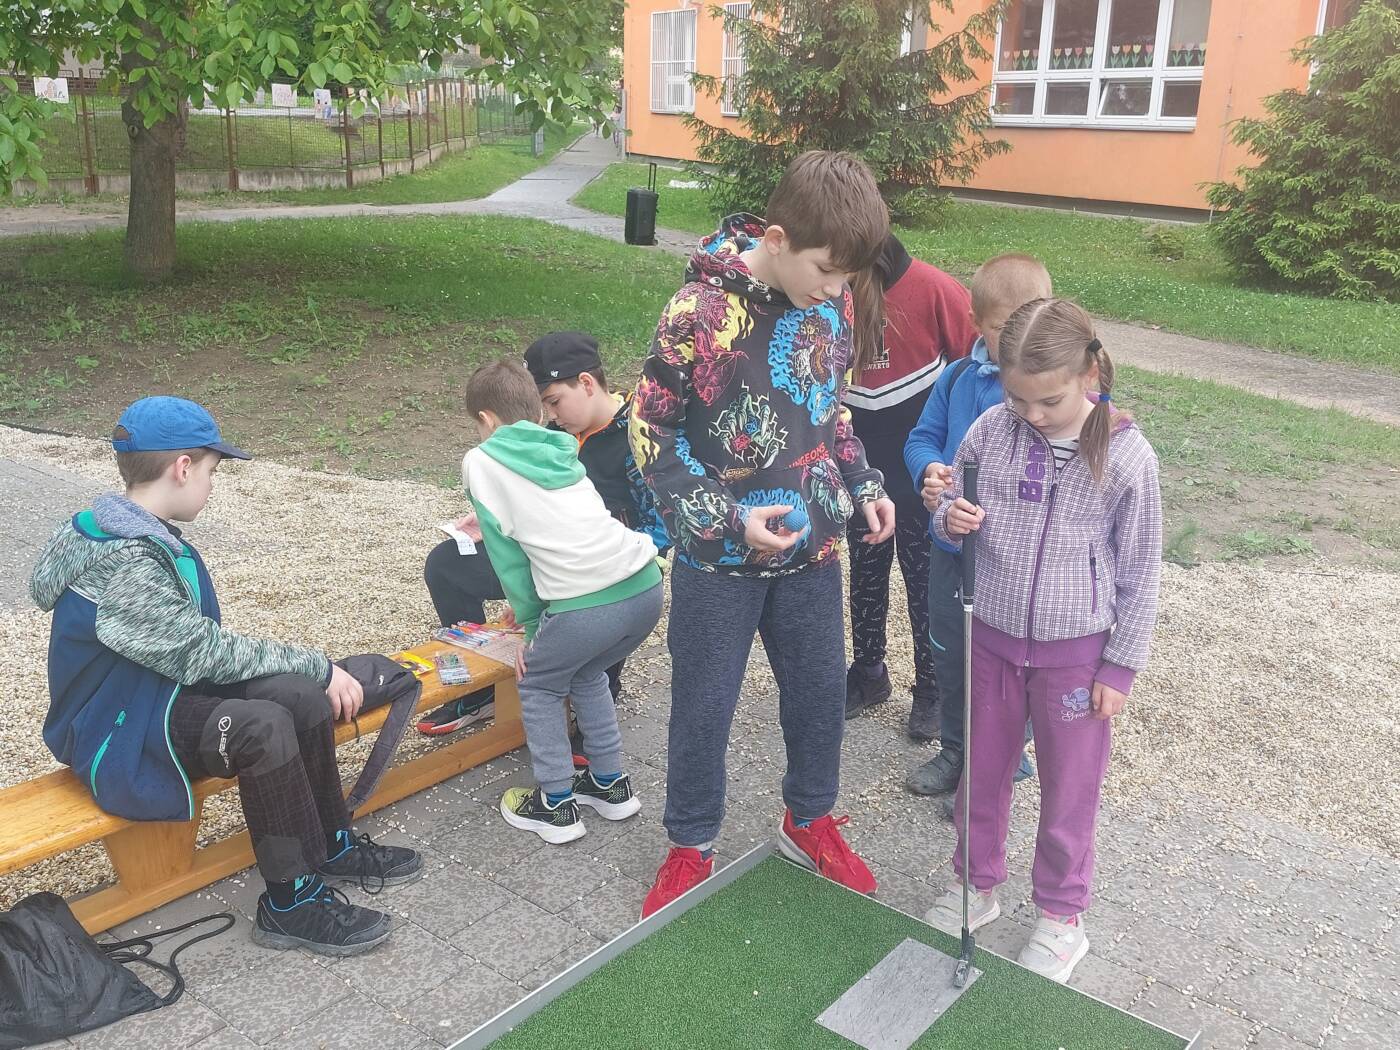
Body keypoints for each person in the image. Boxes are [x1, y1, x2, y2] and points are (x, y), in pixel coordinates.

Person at [30, 397, 421, 957]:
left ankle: (330, 844)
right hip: (116, 729)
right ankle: (289, 904)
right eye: (212, 471)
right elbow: (202, 654)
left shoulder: (135, 532)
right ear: (182, 467)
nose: (211, 485)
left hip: (156, 694)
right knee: (261, 727)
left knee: (300, 697)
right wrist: (317, 662)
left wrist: (310, 675)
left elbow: (193, 654)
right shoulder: (126, 561)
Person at [629, 150, 896, 918]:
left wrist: (863, 483)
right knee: (702, 707)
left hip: (812, 552)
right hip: (718, 560)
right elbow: (649, 432)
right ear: (776, 239)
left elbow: (830, 413)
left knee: (818, 697)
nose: (837, 291)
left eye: (847, 279)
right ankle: (689, 844)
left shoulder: (831, 306)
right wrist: (727, 517)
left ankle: (808, 820)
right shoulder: (697, 312)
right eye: (828, 272)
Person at [921, 299, 1162, 984]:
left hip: (1076, 656)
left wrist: (1120, 667)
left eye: (1049, 401)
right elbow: (948, 509)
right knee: (981, 773)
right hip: (991, 639)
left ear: (1089, 373)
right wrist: (949, 518)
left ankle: (1061, 914)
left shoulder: (1128, 457)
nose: (1031, 414)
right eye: (1017, 398)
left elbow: (1141, 572)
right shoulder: (991, 430)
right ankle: (975, 883)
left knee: (1069, 789)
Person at [420, 331, 666, 737]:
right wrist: (493, 517)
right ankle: (482, 690)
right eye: (542, 407)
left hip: (599, 571)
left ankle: (589, 696)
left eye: (553, 401)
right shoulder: (553, 435)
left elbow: (663, 526)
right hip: (538, 557)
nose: (550, 416)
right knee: (445, 563)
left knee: (602, 607)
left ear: (586, 383)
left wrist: (547, 607)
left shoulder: (639, 437)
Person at [458, 360, 664, 843]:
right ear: (535, 410)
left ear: (486, 419)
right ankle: (610, 785)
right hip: (644, 586)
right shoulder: (562, 447)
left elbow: (509, 558)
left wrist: (533, 631)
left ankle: (554, 804)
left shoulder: (481, 461)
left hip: (587, 605)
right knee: (586, 671)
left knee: (539, 683)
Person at [903, 254, 1052, 808]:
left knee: (1007, 662)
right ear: (975, 322)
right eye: (1001, 329)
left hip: (1010, 562)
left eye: (1028, 326)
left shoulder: (1046, 394)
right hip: (950, 549)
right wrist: (929, 470)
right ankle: (955, 749)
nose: (1015, 342)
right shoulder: (958, 378)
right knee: (950, 652)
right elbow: (922, 438)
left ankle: (1002, 760)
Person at [842, 234, 976, 739]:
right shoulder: (830, 289)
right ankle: (868, 674)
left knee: (925, 583)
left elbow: (975, 370)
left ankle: (932, 688)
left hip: (923, 472)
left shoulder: (935, 289)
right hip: (860, 464)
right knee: (865, 572)